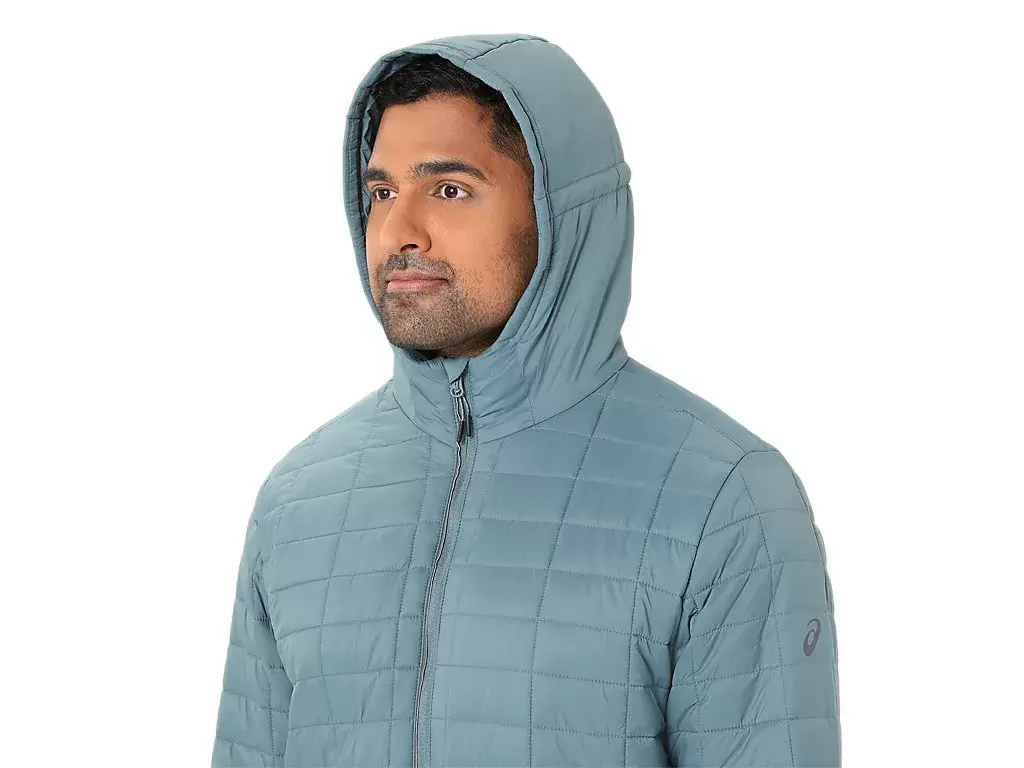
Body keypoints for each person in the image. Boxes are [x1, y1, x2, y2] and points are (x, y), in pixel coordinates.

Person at [211, 33, 841, 768]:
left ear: (558, 210)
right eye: (381, 192)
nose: (398, 230)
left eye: (448, 189)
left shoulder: (721, 498)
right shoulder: (298, 500)